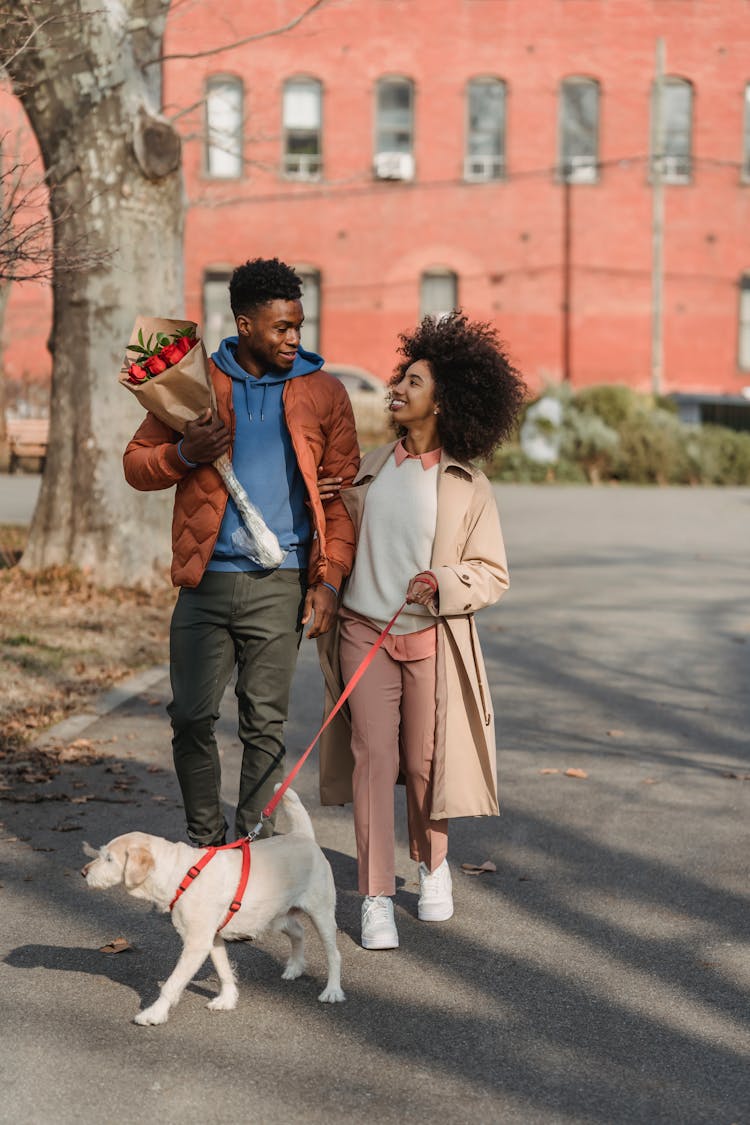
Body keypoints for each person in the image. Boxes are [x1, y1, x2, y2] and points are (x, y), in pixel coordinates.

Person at [124, 257, 359, 846]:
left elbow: (343, 499)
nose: (293, 338)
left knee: (264, 728)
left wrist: (328, 583)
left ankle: (249, 847)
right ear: (245, 324)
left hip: (283, 582)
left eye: (299, 326)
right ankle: (206, 845)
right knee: (191, 717)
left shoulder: (325, 392)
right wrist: (184, 454)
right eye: (281, 327)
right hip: (205, 582)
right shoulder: (193, 383)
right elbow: (135, 465)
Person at [317, 311, 525, 950]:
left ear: (446, 399)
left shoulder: (468, 484)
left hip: (432, 639)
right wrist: (324, 498)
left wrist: (443, 580)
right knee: (372, 762)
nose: (398, 388)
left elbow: (490, 573)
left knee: (425, 763)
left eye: (414, 380)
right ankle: (375, 896)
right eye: (400, 377)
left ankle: (432, 868)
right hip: (364, 634)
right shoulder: (366, 471)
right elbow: (337, 535)